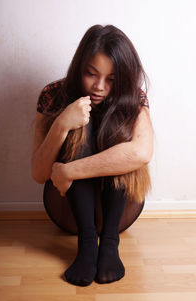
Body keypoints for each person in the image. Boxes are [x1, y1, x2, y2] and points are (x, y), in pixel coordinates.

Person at [31, 24, 154, 287]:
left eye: (111, 79)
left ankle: (109, 243)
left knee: (123, 143)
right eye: (91, 74)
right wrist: (62, 124)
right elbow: (39, 173)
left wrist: (68, 170)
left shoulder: (133, 97)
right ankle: (87, 244)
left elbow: (142, 153)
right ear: (79, 68)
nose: (99, 87)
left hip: (121, 213)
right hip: (67, 211)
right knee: (80, 130)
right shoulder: (53, 94)